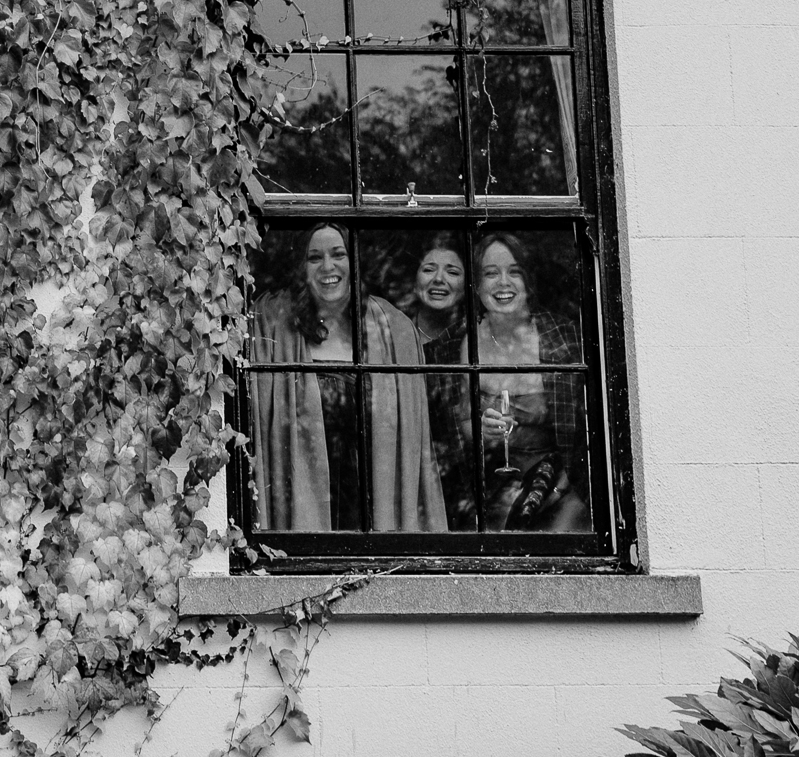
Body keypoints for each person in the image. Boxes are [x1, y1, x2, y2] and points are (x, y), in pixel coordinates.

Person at [247, 223, 449, 532]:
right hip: (302, 497)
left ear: (354, 262)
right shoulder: (273, 323)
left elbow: (416, 447)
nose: (328, 266)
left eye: (338, 254)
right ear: (302, 267)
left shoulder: (393, 329)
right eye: (315, 257)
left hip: (370, 496)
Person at [430, 233, 589, 531]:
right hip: (484, 491)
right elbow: (447, 434)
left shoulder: (562, 337)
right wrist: (480, 430)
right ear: (476, 285)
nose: (503, 282)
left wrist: (558, 487)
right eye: (491, 273)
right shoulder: (454, 345)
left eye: (514, 271)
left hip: (561, 487)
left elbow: (589, 431)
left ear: (528, 281)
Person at [402, 234, 468, 346]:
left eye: (452, 272)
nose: (438, 279)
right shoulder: (396, 331)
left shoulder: (476, 336)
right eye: (428, 270)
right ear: (414, 281)